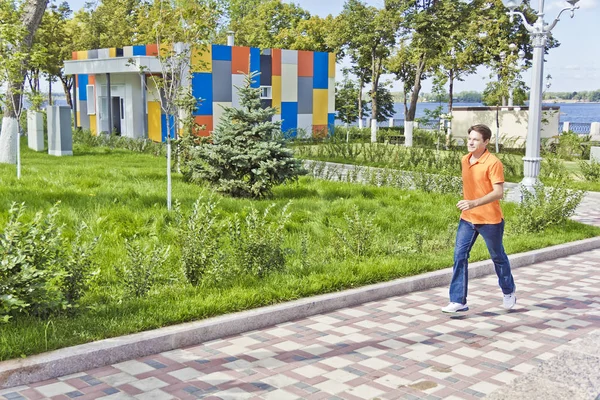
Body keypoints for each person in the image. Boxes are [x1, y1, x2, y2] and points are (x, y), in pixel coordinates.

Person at [442, 124, 516, 313]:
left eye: (475, 139)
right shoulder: (465, 160)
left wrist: (474, 203)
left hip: (490, 220)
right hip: (467, 218)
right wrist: (470, 205)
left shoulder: (493, 163)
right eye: (469, 139)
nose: (471, 142)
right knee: (459, 256)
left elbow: (498, 192)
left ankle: (508, 291)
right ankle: (458, 300)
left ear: (486, 142)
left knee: (497, 256)